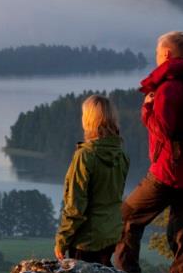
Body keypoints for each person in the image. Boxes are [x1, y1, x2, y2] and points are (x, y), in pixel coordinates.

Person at [114, 30, 183, 273]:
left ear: (165, 54)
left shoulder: (168, 87)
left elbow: (164, 130)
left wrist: (147, 109)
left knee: (127, 218)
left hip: (167, 172)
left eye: (156, 53)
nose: (155, 56)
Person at [54, 94, 129, 264]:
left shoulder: (85, 156)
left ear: (89, 120)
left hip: (86, 240)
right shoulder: (121, 154)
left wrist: (62, 240)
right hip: (111, 234)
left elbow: (75, 205)